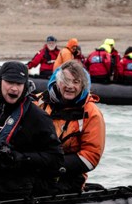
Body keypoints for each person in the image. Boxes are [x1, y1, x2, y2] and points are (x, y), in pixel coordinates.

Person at [0, 62, 63, 201]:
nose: (14, 88)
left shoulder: (38, 117)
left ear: (25, 86)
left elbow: (56, 159)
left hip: (18, 182)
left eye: (19, 84)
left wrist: (19, 157)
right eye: (10, 82)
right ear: (0, 81)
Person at [33, 60, 106, 194]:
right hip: (35, 167)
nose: (70, 86)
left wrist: (54, 165)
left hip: (68, 176)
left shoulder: (91, 113)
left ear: (83, 85)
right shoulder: (40, 102)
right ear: (57, 81)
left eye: (76, 82)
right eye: (65, 81)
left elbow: (91, 156)